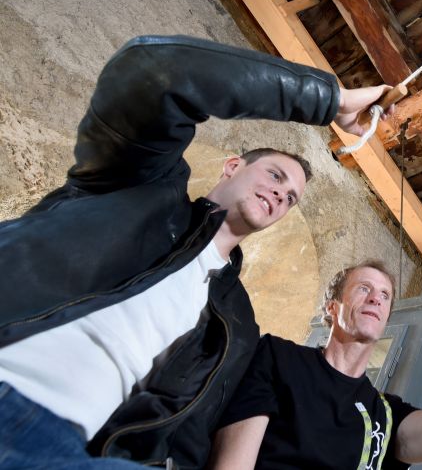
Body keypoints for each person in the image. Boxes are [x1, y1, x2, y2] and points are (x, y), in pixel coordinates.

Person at [0, 35, 393, 469]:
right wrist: (329, 101)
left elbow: (190, 434)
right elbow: (153, 71)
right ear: (232, 166)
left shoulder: (236, 323)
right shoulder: (139, 188)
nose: (282, 194)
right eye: (276, 175)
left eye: (291, 198)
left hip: (69, 451)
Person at [209, 242, 422, 469]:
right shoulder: (279, 357)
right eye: (363, 288)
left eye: (385, 296)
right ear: (332, 307)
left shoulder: (385, 415)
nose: (375, 299)